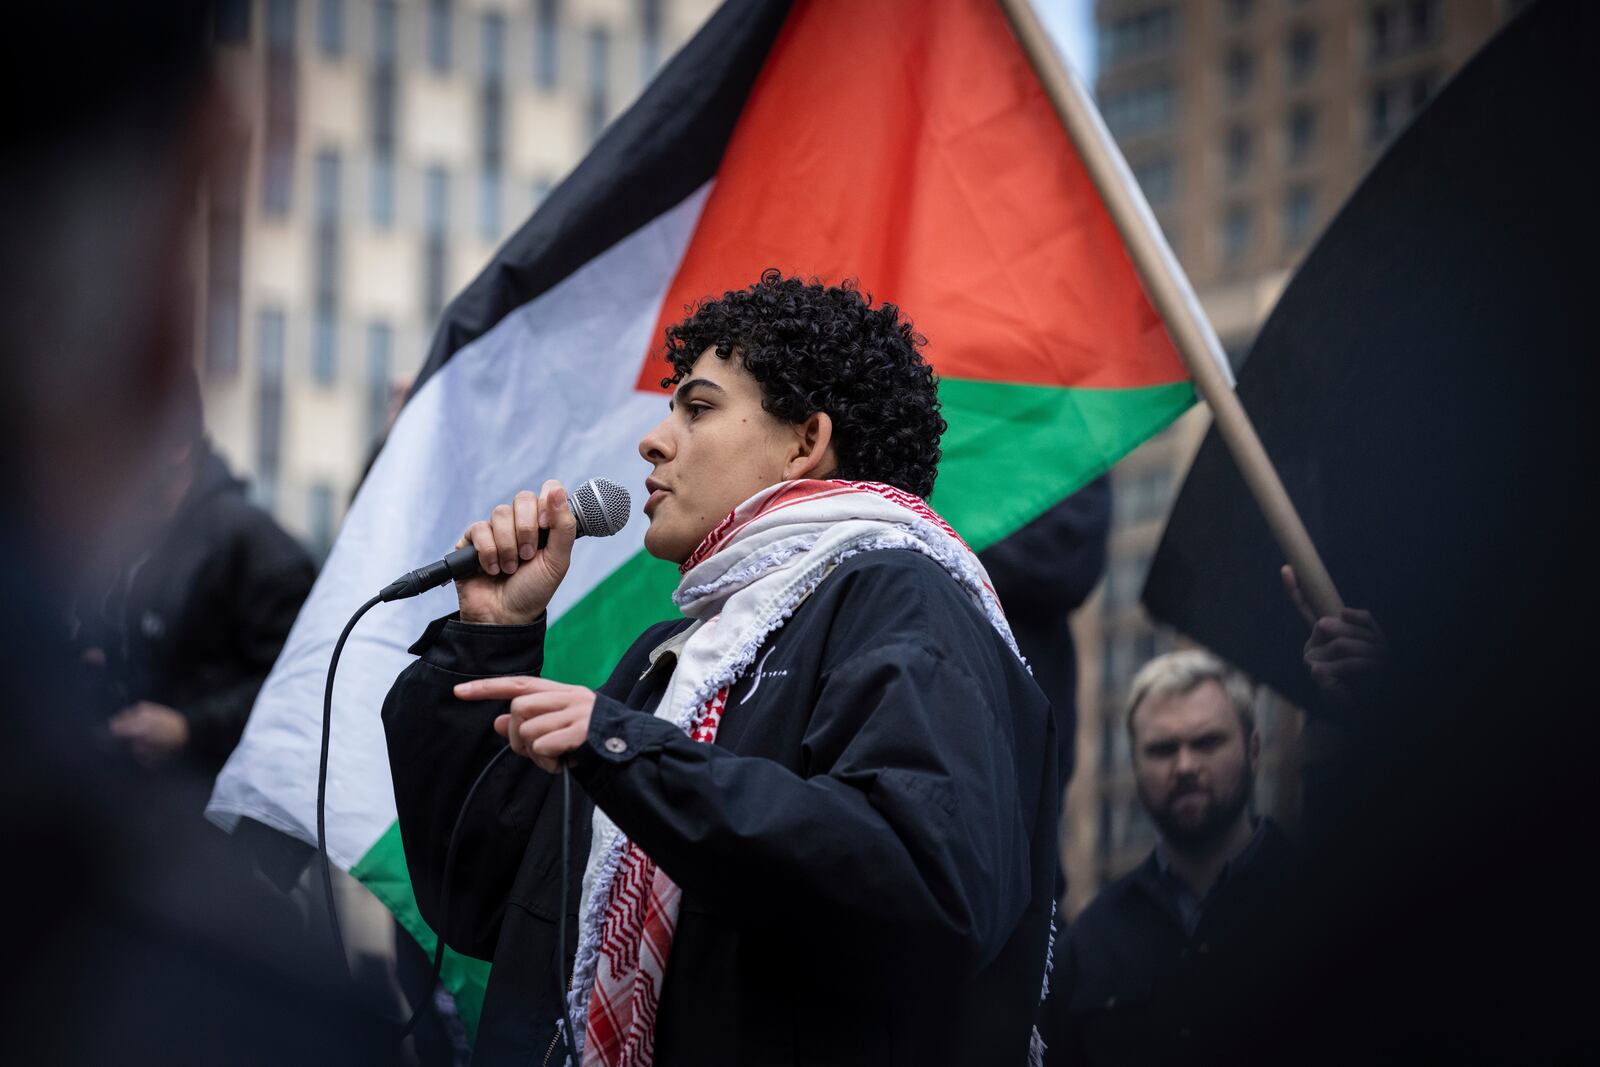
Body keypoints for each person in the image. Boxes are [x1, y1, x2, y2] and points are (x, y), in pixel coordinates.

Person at [383, 272, 1059, 1066]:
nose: (655, 439)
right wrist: (489, 632)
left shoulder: (904, 596)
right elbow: (488, 901)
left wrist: (634, 755)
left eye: (697, 407)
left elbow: (922, 882)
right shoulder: (672, 658)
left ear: (806, 442)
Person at [0, 4, 385, 1061]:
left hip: (208, 852)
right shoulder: (235, 1001)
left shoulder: (250, 544)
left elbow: (301, 691)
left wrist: (182, 723)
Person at [1040, 650, 1299, 1065]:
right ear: (1134, 766)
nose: (1185, 765)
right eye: (1162, 749)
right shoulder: (1089, 944)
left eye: (1207, 742)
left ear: (1253, 751)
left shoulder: (1319, 901)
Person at [73, 372, 315, 775]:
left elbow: (303, 684)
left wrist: (189, 729)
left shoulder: (252, 543)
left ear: (177, 448)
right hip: (125, 799)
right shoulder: (118, 533)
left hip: (208, 809)